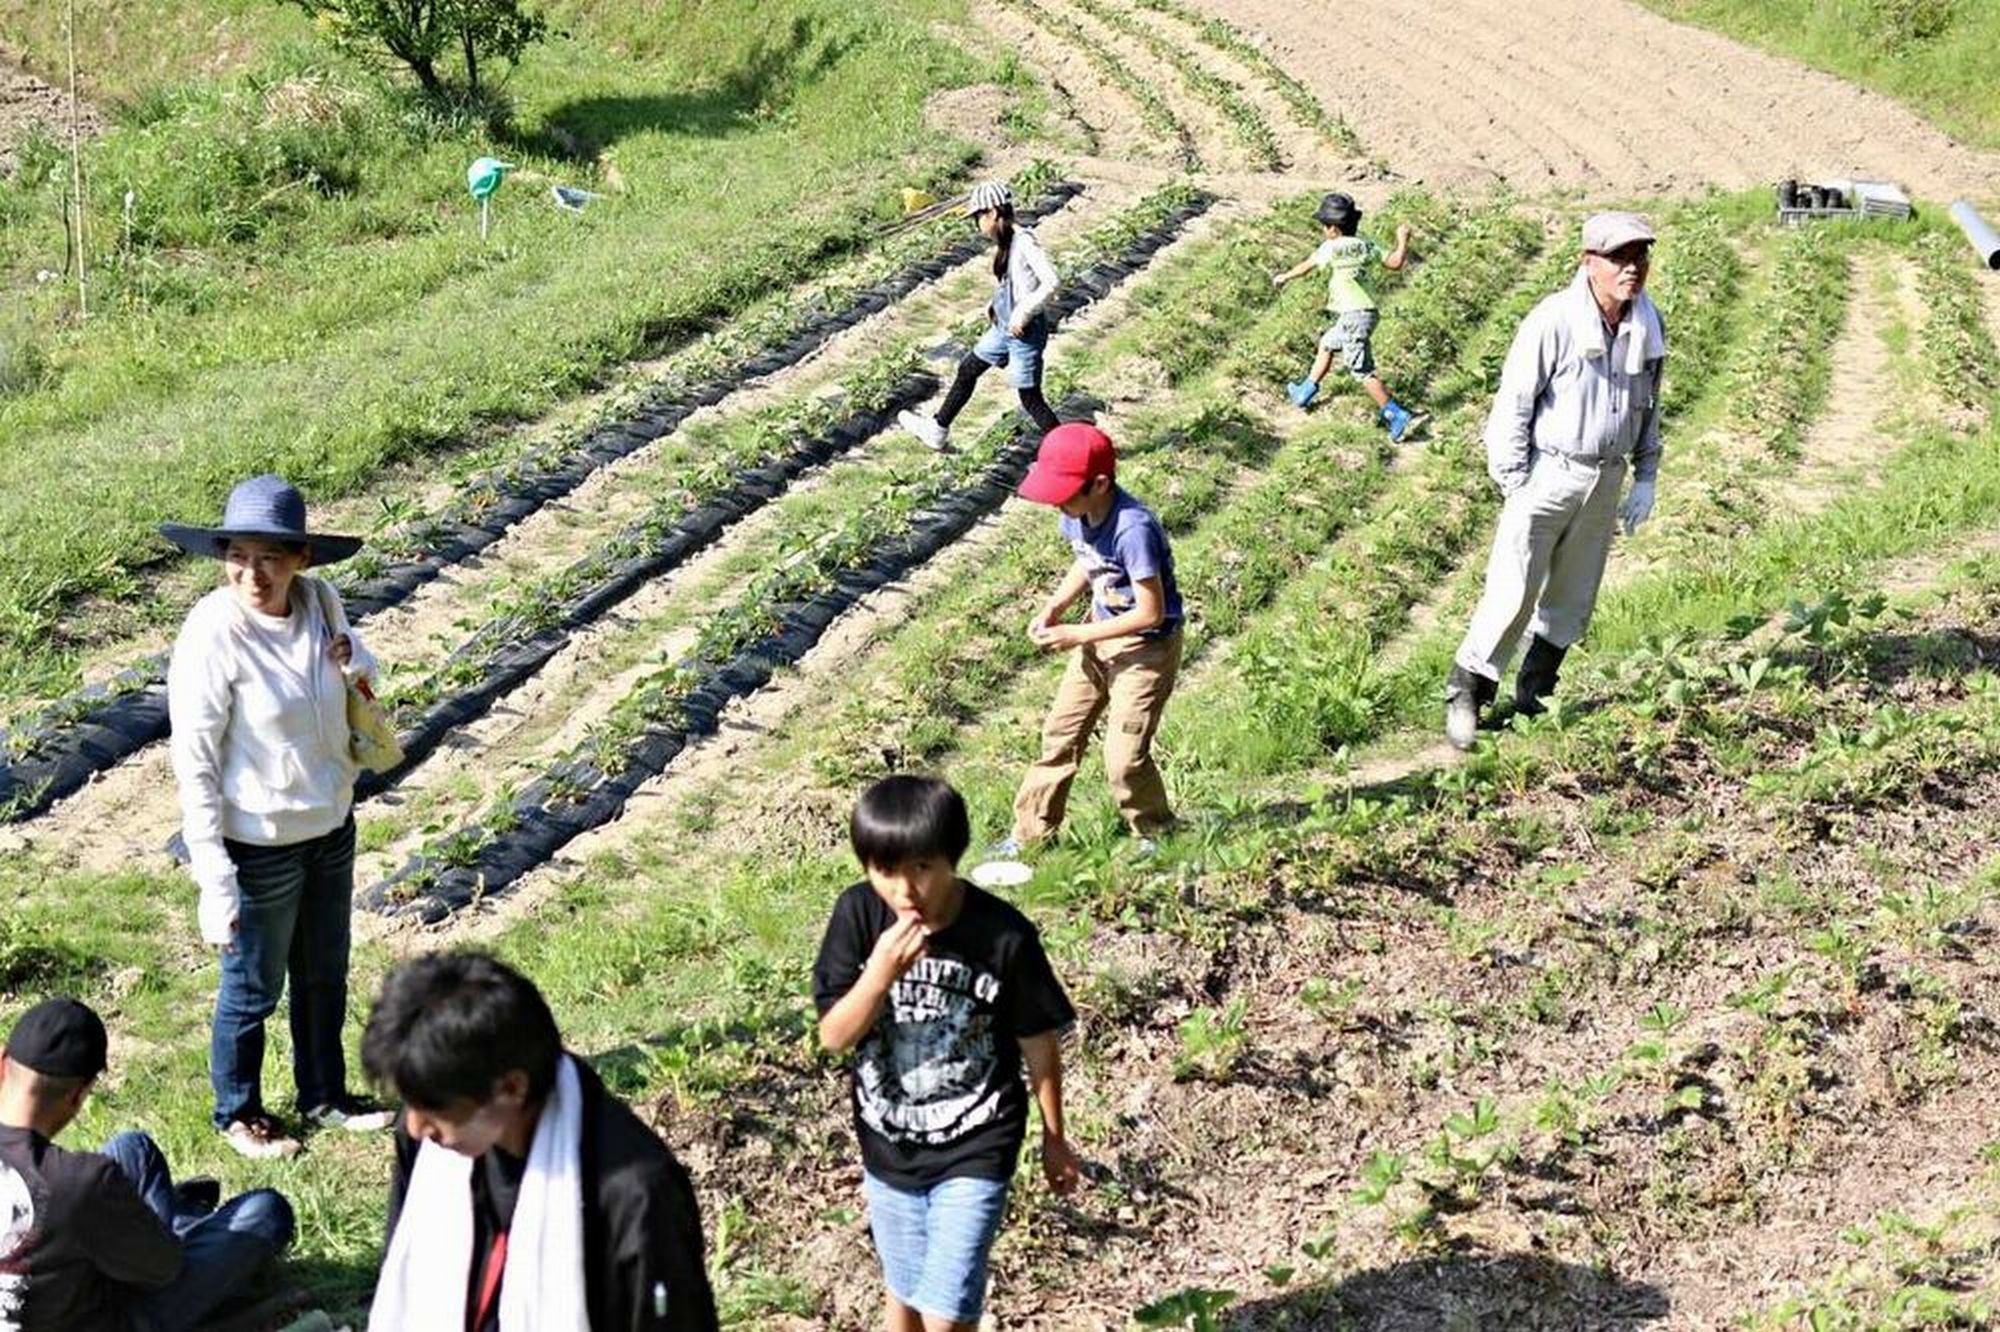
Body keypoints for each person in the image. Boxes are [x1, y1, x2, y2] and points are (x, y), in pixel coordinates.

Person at [161, 474, 395, 1158]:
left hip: (329, 828)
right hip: (257, 843)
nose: (251, 572)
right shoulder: (212, 633)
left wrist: (359, 661)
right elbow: (195, 762)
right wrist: (214, 877)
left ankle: (324, 1095)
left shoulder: (322, 603)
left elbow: (360, 680)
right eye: (238, 554)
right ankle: (238, 1113)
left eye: (269, 557)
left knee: (324, 972)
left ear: (301, 559)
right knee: (252, 987)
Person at [813, 775, 1080, 1332]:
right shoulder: (859, 917)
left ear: (953, 858)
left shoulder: (1003, 936)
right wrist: (880, 974)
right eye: (886, 872)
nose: (905, 890)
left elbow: (1038, 1041)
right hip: (890, 1149)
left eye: (922, 868)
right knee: (904, 1301)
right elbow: (834, 1037)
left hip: (978, 1143)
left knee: (945, 1315)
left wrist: (1054, 1137)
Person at [363, 951, 719, 1332]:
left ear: (512, 1088)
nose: (416, 1127)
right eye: (409, 1103)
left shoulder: (633, 1195)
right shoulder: (428, 1144)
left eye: (434, 1108)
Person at [1444, 211, 1666, 749]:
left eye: (1639, 257)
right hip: (1550, 471)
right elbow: (1514, 402)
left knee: (1573, 595)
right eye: (1618, 258)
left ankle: (1536, 692)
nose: (1630, 268)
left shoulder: (1647, 324)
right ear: (1589, 262)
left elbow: (1650, 405)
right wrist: (1516, 479)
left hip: (1605, 477)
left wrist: (1645, 476)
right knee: (1512, 590)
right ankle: (1468, 692)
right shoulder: (1555, 320)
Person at [0, 997, 295, 1331]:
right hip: (118, 1315)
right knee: (266, 1211)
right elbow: (164, 1271)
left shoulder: (78, 1180)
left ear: (1, 1063)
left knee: (131, 1148)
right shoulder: (81, 1181)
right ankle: (178, 1221)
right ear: (79, 1096)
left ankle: (167, 1219)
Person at [1000, 422, 1183, 853]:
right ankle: (1030, 837)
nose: (1055, 502)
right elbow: (1087, 562)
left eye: (1063, 492)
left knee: (1123, 760)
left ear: (1100, 483)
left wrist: (1076, 633)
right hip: (1097, 642)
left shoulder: (1132, 529)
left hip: (1144, 651)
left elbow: (1150, 612)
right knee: (1058, 738)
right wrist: (1055, 606)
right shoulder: (1079, 513)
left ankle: (1157, 834)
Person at [897, 181, 1063, 452]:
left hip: (1024, 331)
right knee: (968, 368)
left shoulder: (1024, 242)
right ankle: (938, 429)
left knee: (1031, 398)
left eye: (978, 217)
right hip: (1004, 327)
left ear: (994, 213)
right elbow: (1016, 283)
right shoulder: (1007, 242)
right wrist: (995, 304)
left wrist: (1022, 313)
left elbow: (1052, 281)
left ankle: (1071, 455)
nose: (977, 224)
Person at [1272, 191, 1419, 441]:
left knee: (1361, 370)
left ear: (1332, 228)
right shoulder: (1365, 244)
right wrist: (1402, 240)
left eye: (1323, 226)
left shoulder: (1331, 247)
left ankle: (1395, 413)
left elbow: (1307, 266)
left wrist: (1284, 276)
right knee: (1328, 344)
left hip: (1353, 315)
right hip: (1366, 313)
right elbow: (1395, 263)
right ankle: (1305, 391)